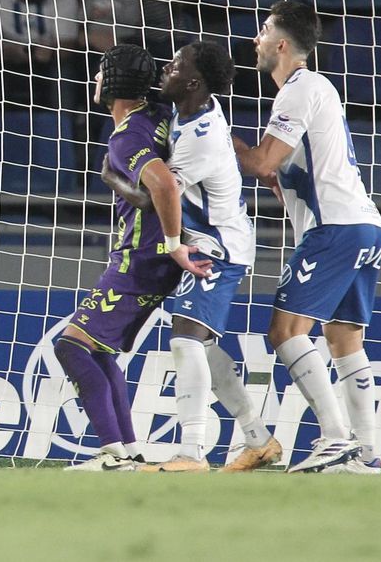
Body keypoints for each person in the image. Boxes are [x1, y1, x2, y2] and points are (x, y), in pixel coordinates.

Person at [102, 42, 281, 472]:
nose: (167, 67)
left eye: (177, 65)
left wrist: (111, 175)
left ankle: (192, 452)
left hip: (217, 246)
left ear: (194, 82)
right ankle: (259, 440)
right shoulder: (190, 112)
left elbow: (155, 195)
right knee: (203, 345)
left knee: (185, 338)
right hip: (214, 239)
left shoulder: (199, 138)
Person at [234, 1, 381, 474]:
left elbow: (261, 162)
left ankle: (335, 438)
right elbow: (285, 168)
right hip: (364, 225)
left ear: (282, 44)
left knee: (284, 332)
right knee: (343, 339)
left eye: (263, 30)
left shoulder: (298, 88)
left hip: (334, 228)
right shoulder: (318, 88)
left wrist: (218, 134)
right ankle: (366, 454)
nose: (256, 39)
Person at [58, 44, 210, 471]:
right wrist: (116, 180)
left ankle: (112, 455)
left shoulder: (127, 136)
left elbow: (162, 186)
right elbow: (147, 193)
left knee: (70, 346)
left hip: (142, 258)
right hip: (153, 256)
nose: (95, 79)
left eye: (101, 71)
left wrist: (172, 243)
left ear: (114, 81)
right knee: (99, 350)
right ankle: (129, 451)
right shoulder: (160, 114)